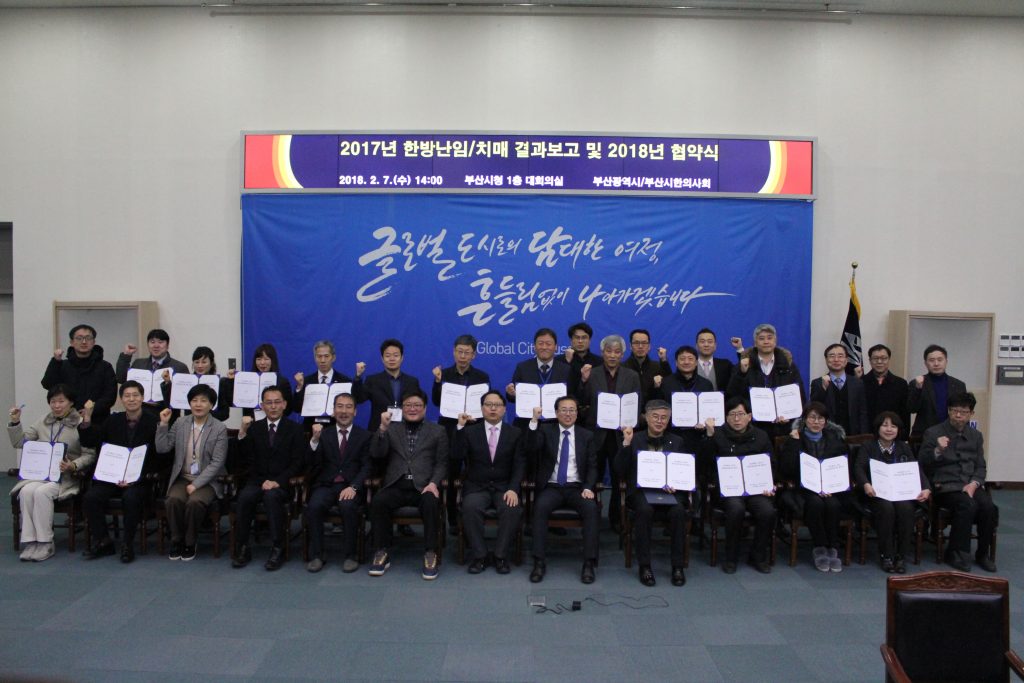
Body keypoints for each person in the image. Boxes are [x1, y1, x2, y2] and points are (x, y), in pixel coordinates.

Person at [8, 385, 96, 562]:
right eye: (53, 402)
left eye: (61, 401)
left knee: (41, 492)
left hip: (66, 477)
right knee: (26, 491)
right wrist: (16, 422)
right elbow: (20, 443)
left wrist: (73, 465)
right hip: (40, 475)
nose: (57, 405)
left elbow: (90, 454)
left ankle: (46, 543)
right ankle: (31, 541)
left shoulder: (81, 423)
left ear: (71, 402)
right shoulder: (43, 421)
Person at [367, 389, 448, 580]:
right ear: (402, 409)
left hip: (424, 486)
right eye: (408, 405)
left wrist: (434, 483)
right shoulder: (391, 428)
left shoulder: (438, 431)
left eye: (417, 405)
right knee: (379, 501)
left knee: (431, 502)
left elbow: (442, 463)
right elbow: (376, 454)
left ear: (425, 408)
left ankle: (430, 552)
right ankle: (381, 551)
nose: (412, 409)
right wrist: (382, 429)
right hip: (396, 484)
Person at [79, 380, 161, 563]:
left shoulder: (154, 422)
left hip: (139, 479)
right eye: (127, 396)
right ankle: (103, 541)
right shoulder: (113, 420)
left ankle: (127, 544)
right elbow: (91, 441)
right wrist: (87, 419)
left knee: (131, 498)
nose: (131, 399)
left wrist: (137, 478)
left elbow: (159, 456)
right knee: (91, 497)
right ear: (121, 399)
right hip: (113, 477)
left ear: (142, 398)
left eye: (135, 395)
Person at [918, 392, 996, 572]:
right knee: (967, 505)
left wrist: (974, 483)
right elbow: (922, 461)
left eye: (963, 412)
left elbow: (980, 466)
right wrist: (938, 450)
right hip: (945, 486)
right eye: (954, 411)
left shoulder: (976, 436)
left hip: (970, 484)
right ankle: (956, 552)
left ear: (971, 414)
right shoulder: (934, 432)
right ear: (949, 411)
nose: (958, 415)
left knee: (988, 507)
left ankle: (982, 554)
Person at [615, 399, 688, 587]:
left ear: (669, 420)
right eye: (655, 416)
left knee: (679, 511)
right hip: (641, 492)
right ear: (646, 418)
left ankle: (677, 566)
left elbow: (684, 471)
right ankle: (645, 566)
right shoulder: (634, 438)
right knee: (644, 510)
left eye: (664, 418)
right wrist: (626, 443)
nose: (659, 421)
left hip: (670, 491)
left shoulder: (677, 441)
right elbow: (620, 470)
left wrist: (675, 483)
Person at [451, 391, 525, 574]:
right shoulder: (469, 431)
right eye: (488, 404)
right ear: (482, 408)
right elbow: (456, 455)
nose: (493, 408)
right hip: (477, 486)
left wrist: (513, 489)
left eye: (497, 405)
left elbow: (519, 464)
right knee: (470, 507)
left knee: (511, 509)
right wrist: (460, 427)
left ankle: (500, 556)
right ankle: (480, 555)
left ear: (504, 409)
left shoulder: (515, 433)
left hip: (504, 487)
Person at [527, 396, 600, 584]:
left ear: (577, 413)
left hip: (577, 488)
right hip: (552, 487)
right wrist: (534, 421)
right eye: (564, 410)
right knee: (540, 507)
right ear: (556, 413)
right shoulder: (545, 431)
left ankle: (589, 563)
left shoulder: (586, 435)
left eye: (572, 410)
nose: (568, 414)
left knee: (591, 509)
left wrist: (588, 487)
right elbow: (531, 447)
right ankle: (539, 561)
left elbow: (593, 466)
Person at [232, 385, 305, 571]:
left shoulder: (295, 429)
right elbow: (247, 460)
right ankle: (242, 547)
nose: (273, 406)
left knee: (272, 497)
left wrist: (277, 481)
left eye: (277, 402)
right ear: (262, 406)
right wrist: (242, 433)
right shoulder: (254, 429)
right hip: (258, 480)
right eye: (269, 403)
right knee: (245, 497)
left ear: (284, 404)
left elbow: (297, 463)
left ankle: (277, 548)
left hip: (283, 483)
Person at [700, 397, 776, 574]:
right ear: (726, 417)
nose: (736, 419)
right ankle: (731, 557)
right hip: (729, 490)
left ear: (749, 416)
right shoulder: (717, 435)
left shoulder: (761, 436)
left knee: (767, 511)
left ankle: (757, 555)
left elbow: (771, 464)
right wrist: (709, 436)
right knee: (736, 509)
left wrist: (769, 484)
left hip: (756, 489)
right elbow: (704, 464)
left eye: (740, 414)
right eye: (732, 414)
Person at [576, 334, 642, 533]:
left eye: (617, 352)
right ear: (602, 352)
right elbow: (581, 401)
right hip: (595, 434)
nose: (612, 355)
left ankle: (615, 519)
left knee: (618, 478)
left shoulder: (632, 376)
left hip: (619, 435)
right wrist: (583, 381)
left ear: (622, 354)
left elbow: (637, 404)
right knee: (591, 476)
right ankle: (591, 516)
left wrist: (629, 424)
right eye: (609, 351)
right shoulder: (592, 373)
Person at [155, 383, 228, 561]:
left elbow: (217, 462)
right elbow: (162, 448)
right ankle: (176, 540)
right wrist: (163, 424)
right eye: (194, 400)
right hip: (183, 477)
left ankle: (190, 542)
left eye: (203, 401)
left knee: (195, 502)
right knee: (173, 500)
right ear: (189, 403)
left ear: (211, 405)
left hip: (208, 480)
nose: (198, 404)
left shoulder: (219, 428)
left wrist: (196, 484)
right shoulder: (181, 423)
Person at [853, 411, 930, 573]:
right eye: (885, 425)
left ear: (898, 430)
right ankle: (886, 555)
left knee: (906, 509)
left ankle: (901, 556)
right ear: (878, 428)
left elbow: (916, 469)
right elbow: (858, 468)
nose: (889, 429)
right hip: (876, 494)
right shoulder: (868, 446)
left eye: (893, 426)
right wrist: (866, 484)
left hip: (901, 493)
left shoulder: (904, 447)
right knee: (886, 509)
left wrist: (926, 487)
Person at [780, 402, 851, 573]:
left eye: (820, 418)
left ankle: (832, 548)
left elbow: (842, 468)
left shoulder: (835, 440)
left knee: (833, 505)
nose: (816, 422)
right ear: (805, 419)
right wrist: (794, 443)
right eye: (812, 417)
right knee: (815, 503)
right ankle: (819, 547)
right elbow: (786, 469)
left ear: (826, 422)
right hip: (804, 489)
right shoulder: (795, 439)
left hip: (830, 489)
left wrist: (831, 486)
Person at [305, 393, 371, 573]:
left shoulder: (364, 436)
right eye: (340, 407)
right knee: (314, 506)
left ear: (355, 411)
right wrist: (314, 441)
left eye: (348, 407)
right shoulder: (323, 435)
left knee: (348, 506)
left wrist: (354, 486)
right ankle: (317, 555)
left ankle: (350, 555)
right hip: (326, 485)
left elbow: (367, 466)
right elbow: (312, 464)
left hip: (350, 486)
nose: (344, 411)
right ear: (333, 411)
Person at [431, 334, 491, 536]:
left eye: (467, 352)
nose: (463, 356)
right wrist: (437, 381)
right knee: (450, 475)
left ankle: (472, 514)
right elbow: (436, 402)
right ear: (454, 352)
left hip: (474, 430)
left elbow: (486, 405)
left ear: (474, 355)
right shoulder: (444, 374)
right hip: (449, 430)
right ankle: (452, 519)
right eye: (459, 352)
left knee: (474, 473)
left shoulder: (482, 377)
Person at [727, 323, 807, 438]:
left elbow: (800, 396)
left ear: (775, 341)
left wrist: (790, 416)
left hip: (783, 428)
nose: (766, 342)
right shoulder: (744, 365)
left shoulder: (789, 366)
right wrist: (741, 373)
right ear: (755, 343)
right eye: (761, 338)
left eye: (770, 338)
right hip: (752, 428)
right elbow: (733, 395)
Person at [42, 323, 117, 425]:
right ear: (72, 342)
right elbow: (47, 384)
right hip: (66, 421)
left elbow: (110, 396)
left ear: (94, 342)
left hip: (99, 421)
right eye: (79, 338)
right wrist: (55, 362)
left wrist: (91, 410)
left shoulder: (105, 367)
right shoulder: (62, 365)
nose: (84, 342)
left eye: (88, 338)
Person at [506, 327, 578, 431]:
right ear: (534, 347)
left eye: (548, 344)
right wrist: (511, 393)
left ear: (556, 347)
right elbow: (512, 398)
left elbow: (572, 397)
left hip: (555, 425)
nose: (544, 347)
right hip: (527, 424)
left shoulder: (566, 370)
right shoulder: (523, 367)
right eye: (540, 343)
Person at [115, 328, 189, 419]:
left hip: (167, 415)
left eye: (160, 342)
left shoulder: (179, 367)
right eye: (152, 342)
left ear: (167, 345)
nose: (156, 345)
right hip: (141, 414)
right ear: (148, 345)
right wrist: (126, 355)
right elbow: (121, 378)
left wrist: (168, 383)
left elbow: (185, 397)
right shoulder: (138, 363)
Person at [354, 338, 421, 434]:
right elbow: (358, 399)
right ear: (382, 359)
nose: (392, 359)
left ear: (402, 358)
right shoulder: (373, 380)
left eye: (396, 355)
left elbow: (418, 407)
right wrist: (358, 377)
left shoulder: (412, 382)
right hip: (379, 430)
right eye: (388, 355)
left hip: (405, 431)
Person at [657, 345, 715, 453]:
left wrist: (704, 423)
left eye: (690, 359)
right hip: (672, 436)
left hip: (698, 437)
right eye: (682, 359)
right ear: (676, 363)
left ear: (696, 362)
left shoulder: (706, 384)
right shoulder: (666, 383)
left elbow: (710, 411)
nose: (686, 362)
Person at [809, 344, 870, 436]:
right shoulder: (817, 383)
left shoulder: (857, 383)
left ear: (846, 360)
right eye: (832, 356)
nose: (836, 359)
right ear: (826, 360)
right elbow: (814, 408)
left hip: (853, 435)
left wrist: (863, 435)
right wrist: (823, 389)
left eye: (840, 356)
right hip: (827, 435)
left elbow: (863, 412)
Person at [293, 340, 356, 428]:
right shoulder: (306, 381)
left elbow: (350, 409)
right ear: (315, 358)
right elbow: (296, 408)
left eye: (326, 356)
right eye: (319, 356)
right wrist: (299, 387)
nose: (322, 360)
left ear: (333, 357)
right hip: (310, 428)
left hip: (335, 428)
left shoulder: (344, 381)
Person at [160, 346, 233, 422]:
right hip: (189, 425)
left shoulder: (219, 383)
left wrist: (202, 414)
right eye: (197, 362)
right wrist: (167, 382)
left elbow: (224, 414)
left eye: (204, 362)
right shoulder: (186, 382)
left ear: (211, 364)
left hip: (212, 426)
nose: (200, 366)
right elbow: (172, 405)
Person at [908, 344, 967, 436]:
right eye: (932, 360)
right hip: (924, 435)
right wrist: (918, 389)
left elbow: (964, 411)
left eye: (940, 360)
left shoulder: (959, 385)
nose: (936, 364)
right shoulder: (916, 383)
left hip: (951, 434)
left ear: (946, 361)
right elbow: (911, 409)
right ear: (925, 363)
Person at [862, 344, 910, 433]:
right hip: (867, 434)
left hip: (892, 434)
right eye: (875, 358)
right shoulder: (860, 383)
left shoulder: (901, 384)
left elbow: (905, 414)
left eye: (884, 358)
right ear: (870, 361)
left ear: (889, 360)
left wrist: (903, 435)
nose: (879, 361)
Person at [623, 328, 671, 409]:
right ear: (630, 346)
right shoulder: (623, 368)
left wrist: (664, 361)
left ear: (649, 347)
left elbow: (670, 385)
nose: (640, 346)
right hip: (629, 411)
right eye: (636, 343)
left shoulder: (657, 367)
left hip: (652, 412)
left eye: (644, 343)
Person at [694, 327, 735, 393]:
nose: (706, 345)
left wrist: (739, 349)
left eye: (710, 342)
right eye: (702, 342)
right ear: (696, 346)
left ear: (715, 346)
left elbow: (740, 374)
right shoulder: (689, 365)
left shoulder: (725, 365)